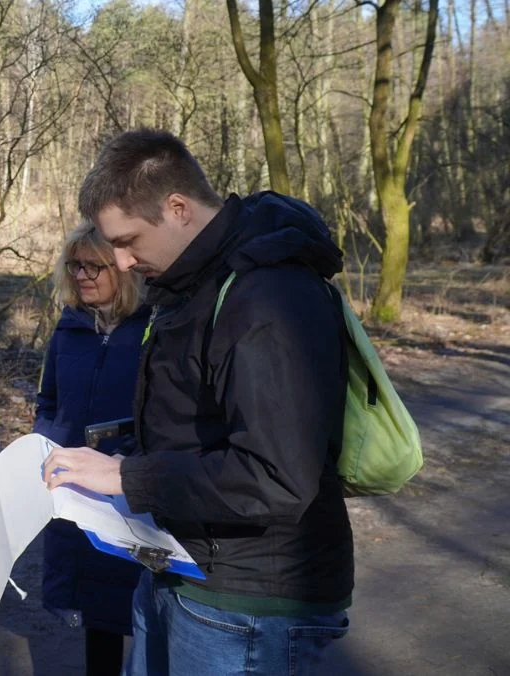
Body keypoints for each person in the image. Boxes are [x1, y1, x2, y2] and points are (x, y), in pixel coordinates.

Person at [43, 129, 353, 675]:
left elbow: (276, 477)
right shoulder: (194, 284)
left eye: (128, 240)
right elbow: (192, 425)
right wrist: (126, 462)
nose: (118, 262)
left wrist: (130, 480)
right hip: (181, 568)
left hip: (250, 605)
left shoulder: (267, 297)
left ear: (178, 208)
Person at [34, 221, 148, 675]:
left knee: (145, 613)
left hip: (132, 488)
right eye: (74, 265)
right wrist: (46, 445)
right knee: (95, 615)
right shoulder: (69, 328)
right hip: (77, 490)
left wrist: (131, 459)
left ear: (122, 269)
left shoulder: (154, 329)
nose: (82, 275)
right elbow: (50, 401)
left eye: (93, 266)